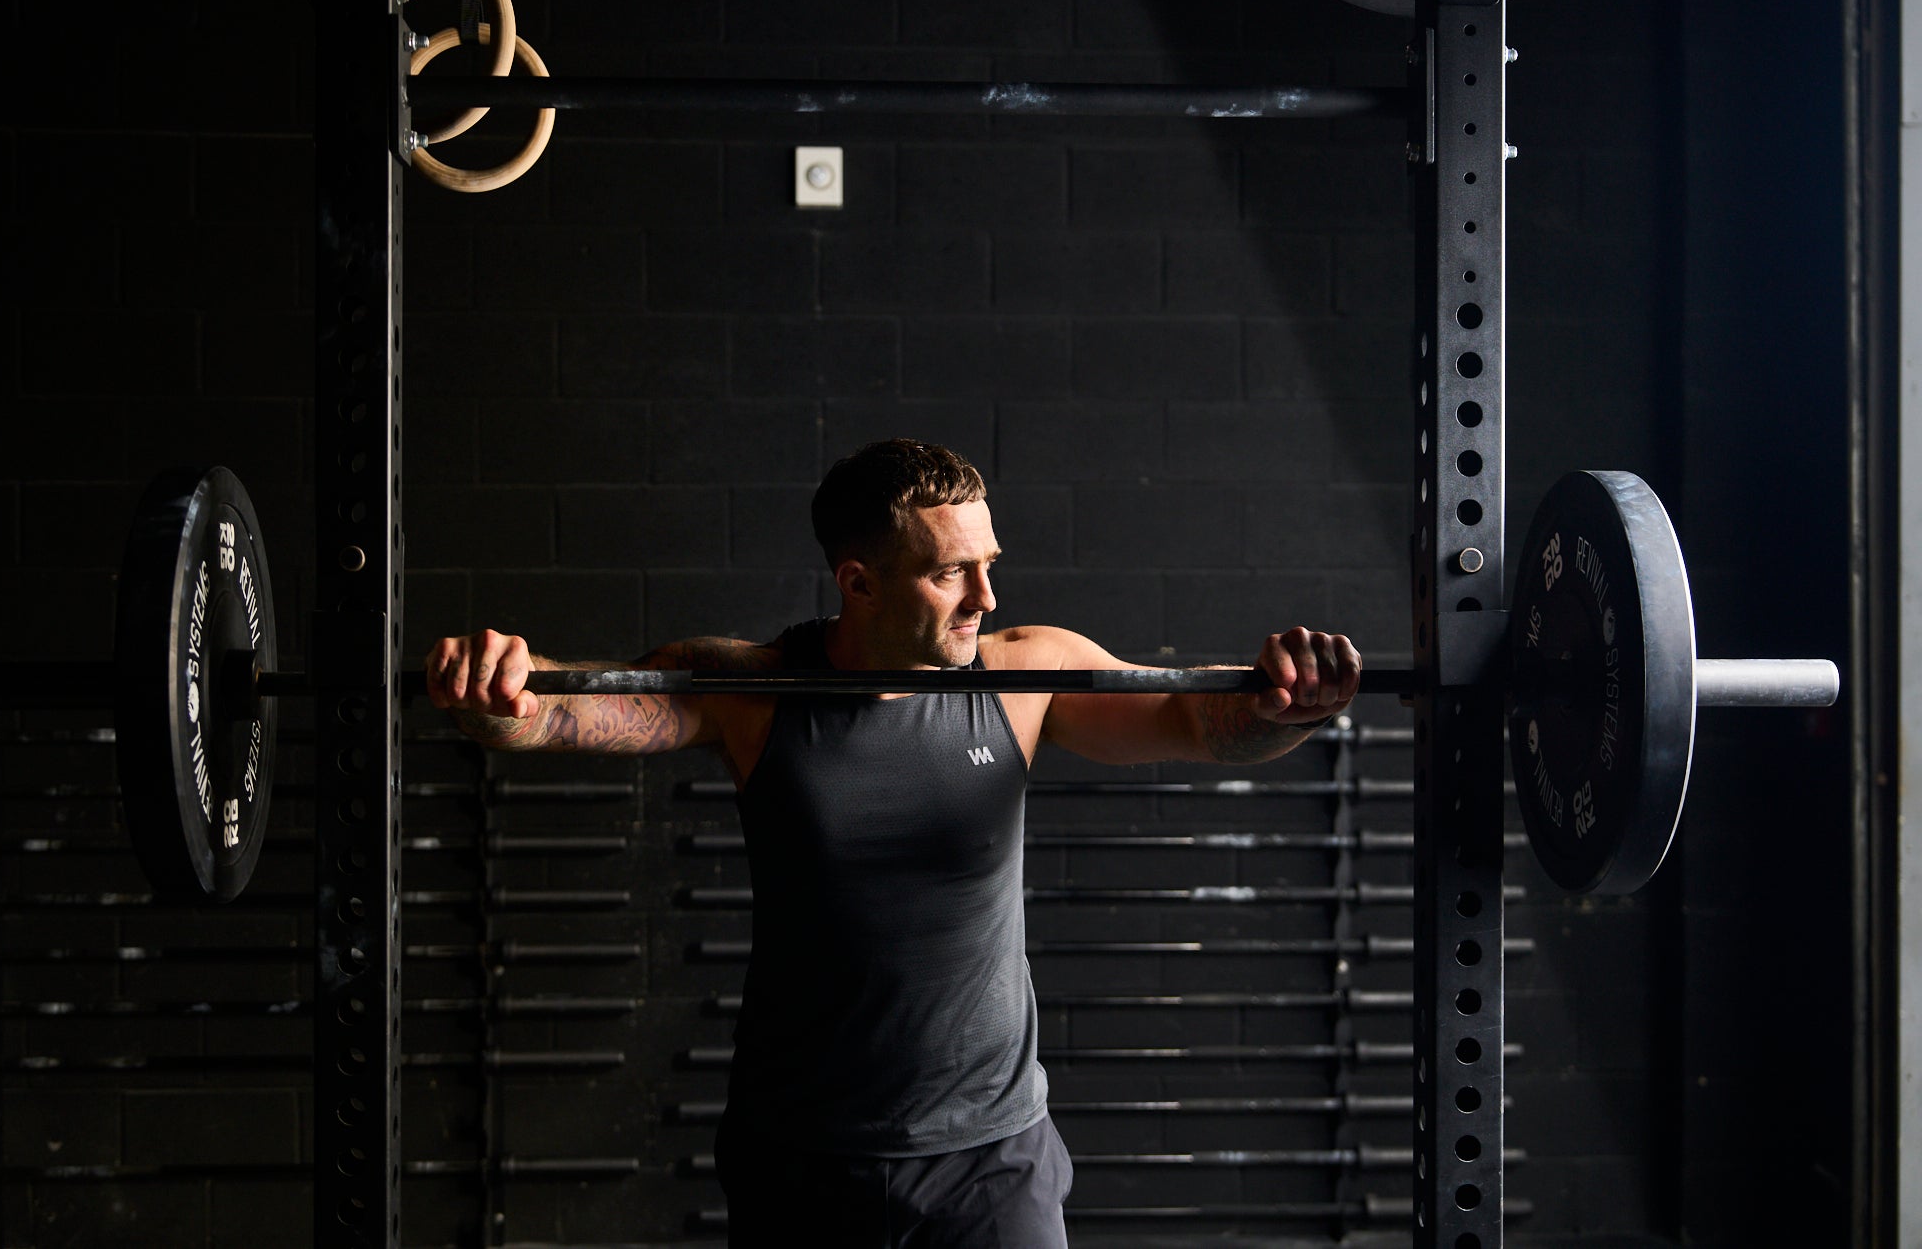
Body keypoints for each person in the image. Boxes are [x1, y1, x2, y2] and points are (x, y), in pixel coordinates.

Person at [427, 439, 1362, 1249]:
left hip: (991, 1162)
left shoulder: (1022, 676)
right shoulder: (754, 690)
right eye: (951, 571)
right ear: (858, 581)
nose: (985, 596)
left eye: (990, 562)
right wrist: (503, 689)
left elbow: (1200, 720)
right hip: (802, 1157)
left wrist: (1288, 704)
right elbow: (578, 706)